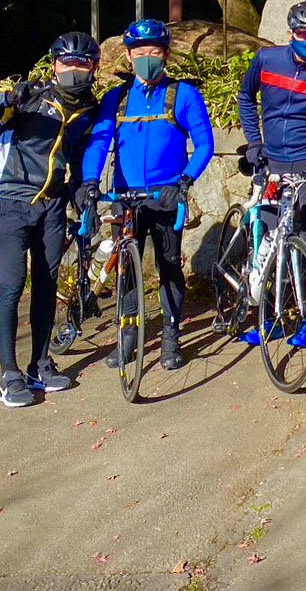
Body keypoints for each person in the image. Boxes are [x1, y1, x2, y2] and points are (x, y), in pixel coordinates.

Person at [0, 32, 102, 408]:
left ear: (94, 68)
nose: (73, 70)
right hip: (10, 201)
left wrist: (84, 190)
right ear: (54, 65)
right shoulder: (29, 99)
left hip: (52, 205)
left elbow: (80, 154)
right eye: (66, 63)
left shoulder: (89, 109)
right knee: (11, 287)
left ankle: (39, 364)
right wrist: (3, 99)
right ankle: (8, 375)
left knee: (47, 286)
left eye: (82, 64)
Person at [79, 19, 213, 372]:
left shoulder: (182, 94)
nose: (147, 58)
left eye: (154, 52)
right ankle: (128, 335)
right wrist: (91, 181)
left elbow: (204, 144)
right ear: (128, 56)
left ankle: (171, 335)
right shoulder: (117, 98)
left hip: (166, 194)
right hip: (125, 197)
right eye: (140, 53)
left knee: (168, 266)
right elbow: (98, 142)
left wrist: (185, 180)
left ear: (166, 54)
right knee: (126, 267)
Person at [237, 1, 306, 327]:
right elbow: (245, 97)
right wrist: (254, 143)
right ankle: (270, 315)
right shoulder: (266, 60)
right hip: (272, 161)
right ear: (290, 33)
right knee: (271, 241)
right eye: (305, 33)